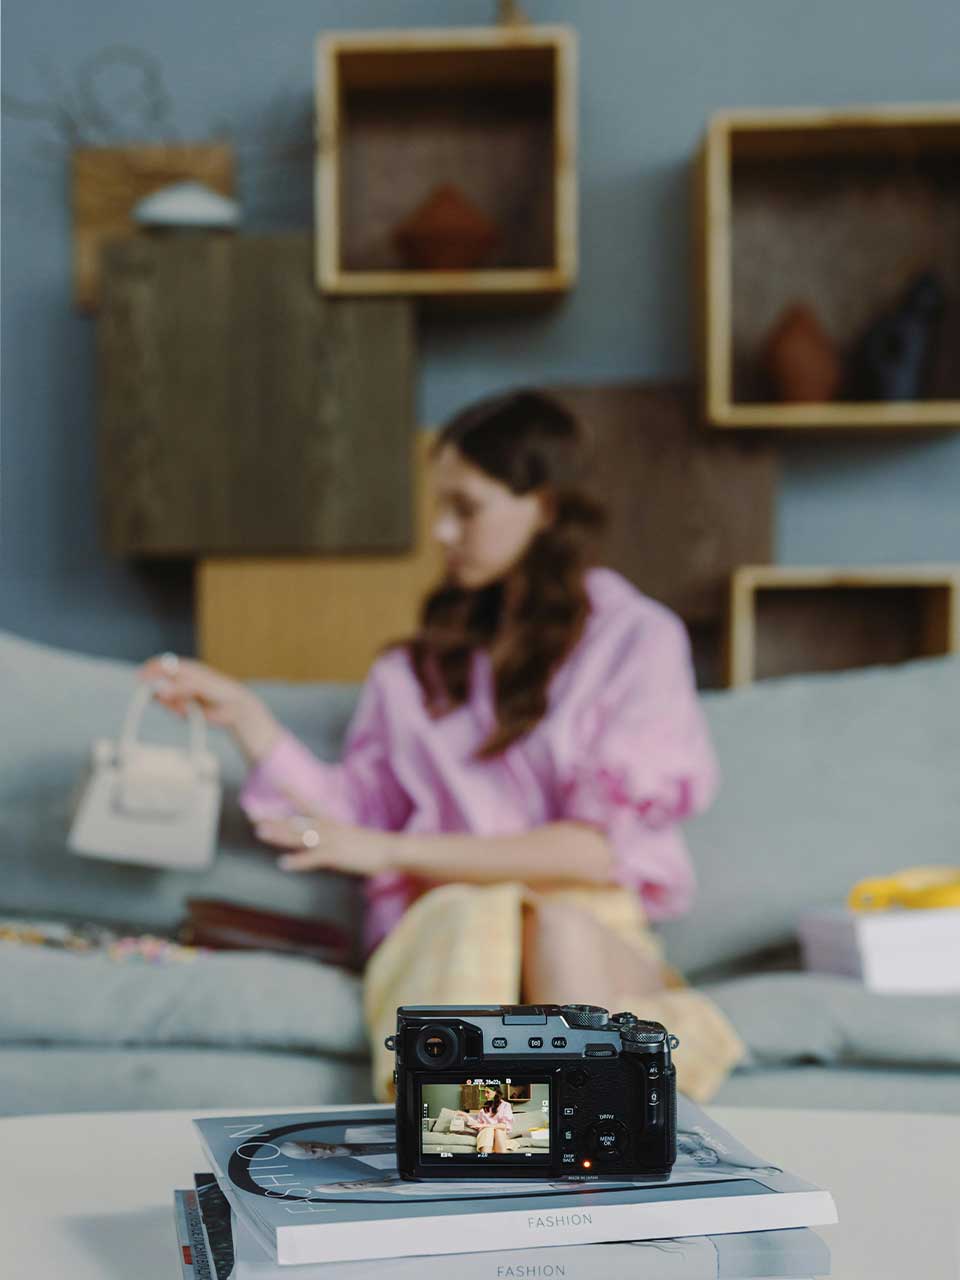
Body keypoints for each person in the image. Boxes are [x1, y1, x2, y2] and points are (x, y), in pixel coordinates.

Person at [139, 388, 744, 1101]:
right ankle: (501, 1152)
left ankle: (543, 1154)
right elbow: (352, 815)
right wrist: (248, 720)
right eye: (438, 508)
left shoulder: (636, 641)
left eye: (467, 507)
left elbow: (591, 849)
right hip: (446, 932)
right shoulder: (411, 672)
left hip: (583, 925)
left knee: (554, 926)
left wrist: (395, 852)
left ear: (544, 507)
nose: (441, 533)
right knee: (472, 920)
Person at [455, 1086, 515, 1154]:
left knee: (498, 1130)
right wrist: (466, 1115)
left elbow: (504, 1125)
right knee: (488, 1130)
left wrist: (484, 1125)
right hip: (487, 1134)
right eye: (485, 1092)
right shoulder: (484, 1109)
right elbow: (477, 1124)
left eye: (488, 1092)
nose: (485, 1095)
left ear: (495, 1092)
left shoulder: (506, 1106)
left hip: (500, 1136)